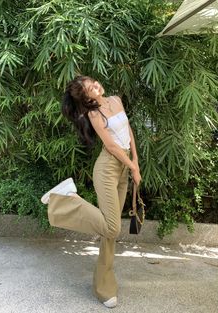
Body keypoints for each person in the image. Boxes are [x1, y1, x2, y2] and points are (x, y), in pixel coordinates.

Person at [41, 75, 142, 308]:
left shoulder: (116, 100)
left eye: (93, 82)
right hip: (107, 168)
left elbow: (128, 133)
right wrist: (133, 167)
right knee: (112, 226)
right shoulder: (94, 114)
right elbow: (111, 146)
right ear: (87, 98)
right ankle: (67, 198)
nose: (96, 86)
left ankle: (104, 289)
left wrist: (135, 161)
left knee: (110, 233)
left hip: (124, 167)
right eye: (90, 89)